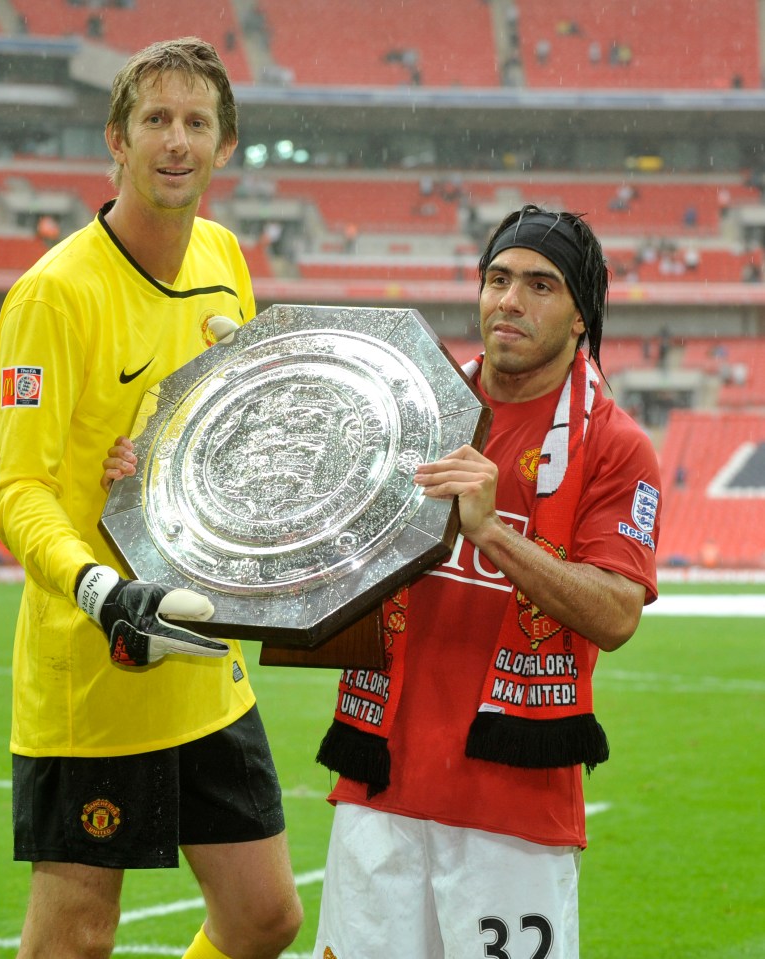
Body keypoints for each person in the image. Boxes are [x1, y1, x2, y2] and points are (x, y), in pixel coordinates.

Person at [0, 38, 302, 959]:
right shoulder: (53, 293)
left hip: (201, 655)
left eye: (195, 122)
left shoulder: (225, 257)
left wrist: (169, 459)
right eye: (155, 120)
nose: (176, 141)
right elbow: (19, 488)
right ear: (115, 142)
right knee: (76, 937)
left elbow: (228, 428)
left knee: (263, 916)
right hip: (94, 661)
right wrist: (101, 590)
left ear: (224, 145)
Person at [312, 205, 662, 959]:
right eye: (498, 279)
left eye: (540, 285)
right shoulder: (412, 410)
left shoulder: (617, 446)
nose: (510, 299)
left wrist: (494, 531)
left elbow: (617, 612)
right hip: (381, 792)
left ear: (579, 317)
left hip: (513, 812)